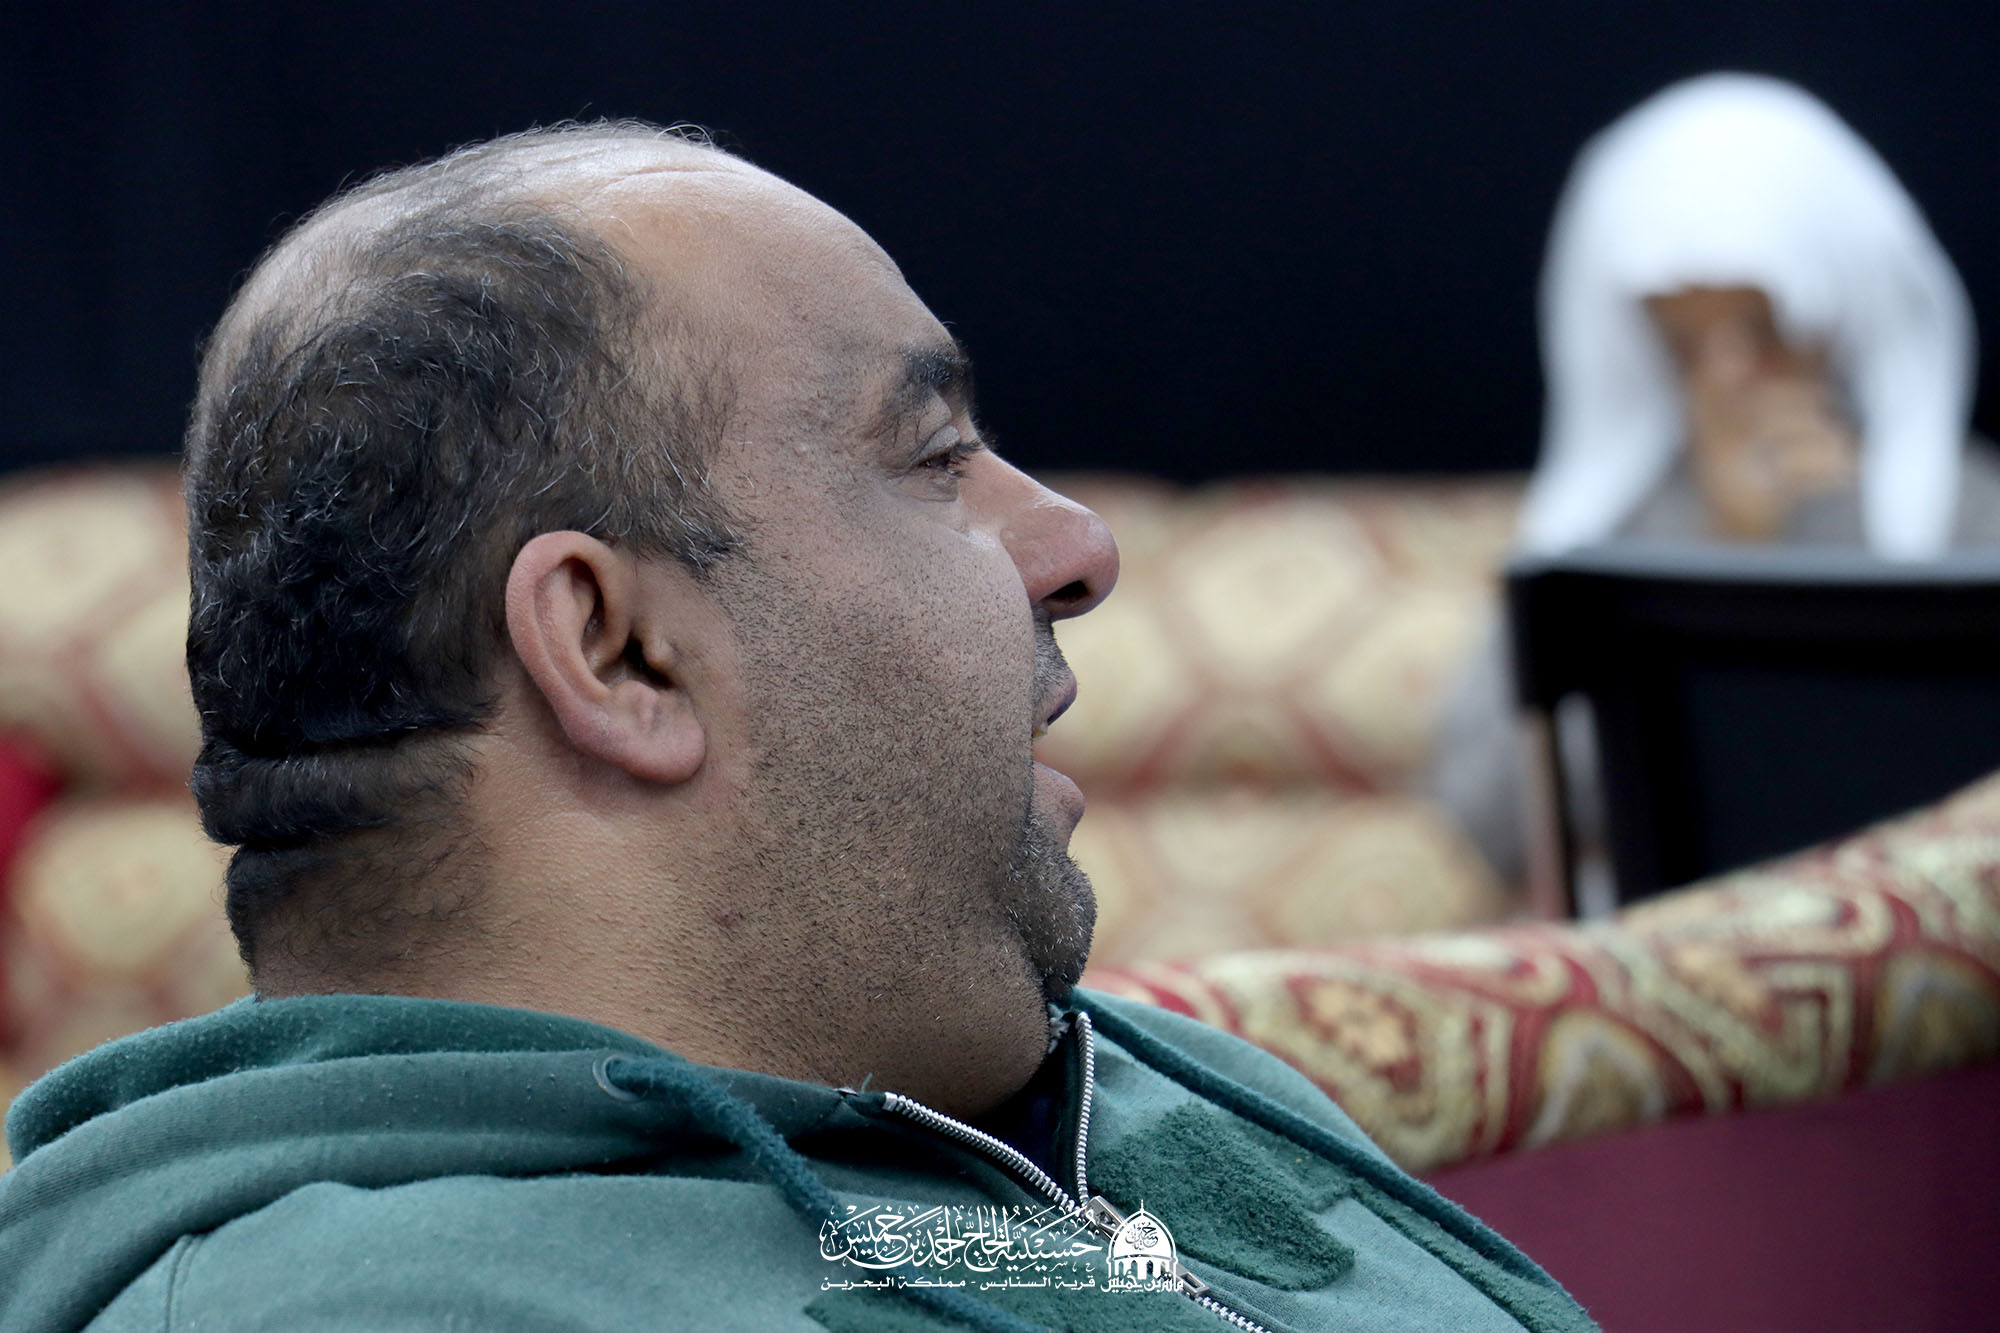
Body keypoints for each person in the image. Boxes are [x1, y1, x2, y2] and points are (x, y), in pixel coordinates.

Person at [0, 122, 1593, 1333]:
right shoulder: (374, 1307)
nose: (1078, 547)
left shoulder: (1156, 1095)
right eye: (934, 456)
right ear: (620, 651)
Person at [1431, 74, 2000, 897]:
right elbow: (1486, 813)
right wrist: (1722, 555)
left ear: (1836, 306)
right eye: (1684, 343)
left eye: (1761, 329)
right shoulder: (1604, 531)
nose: (1730, 375)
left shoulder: (1966, 511)